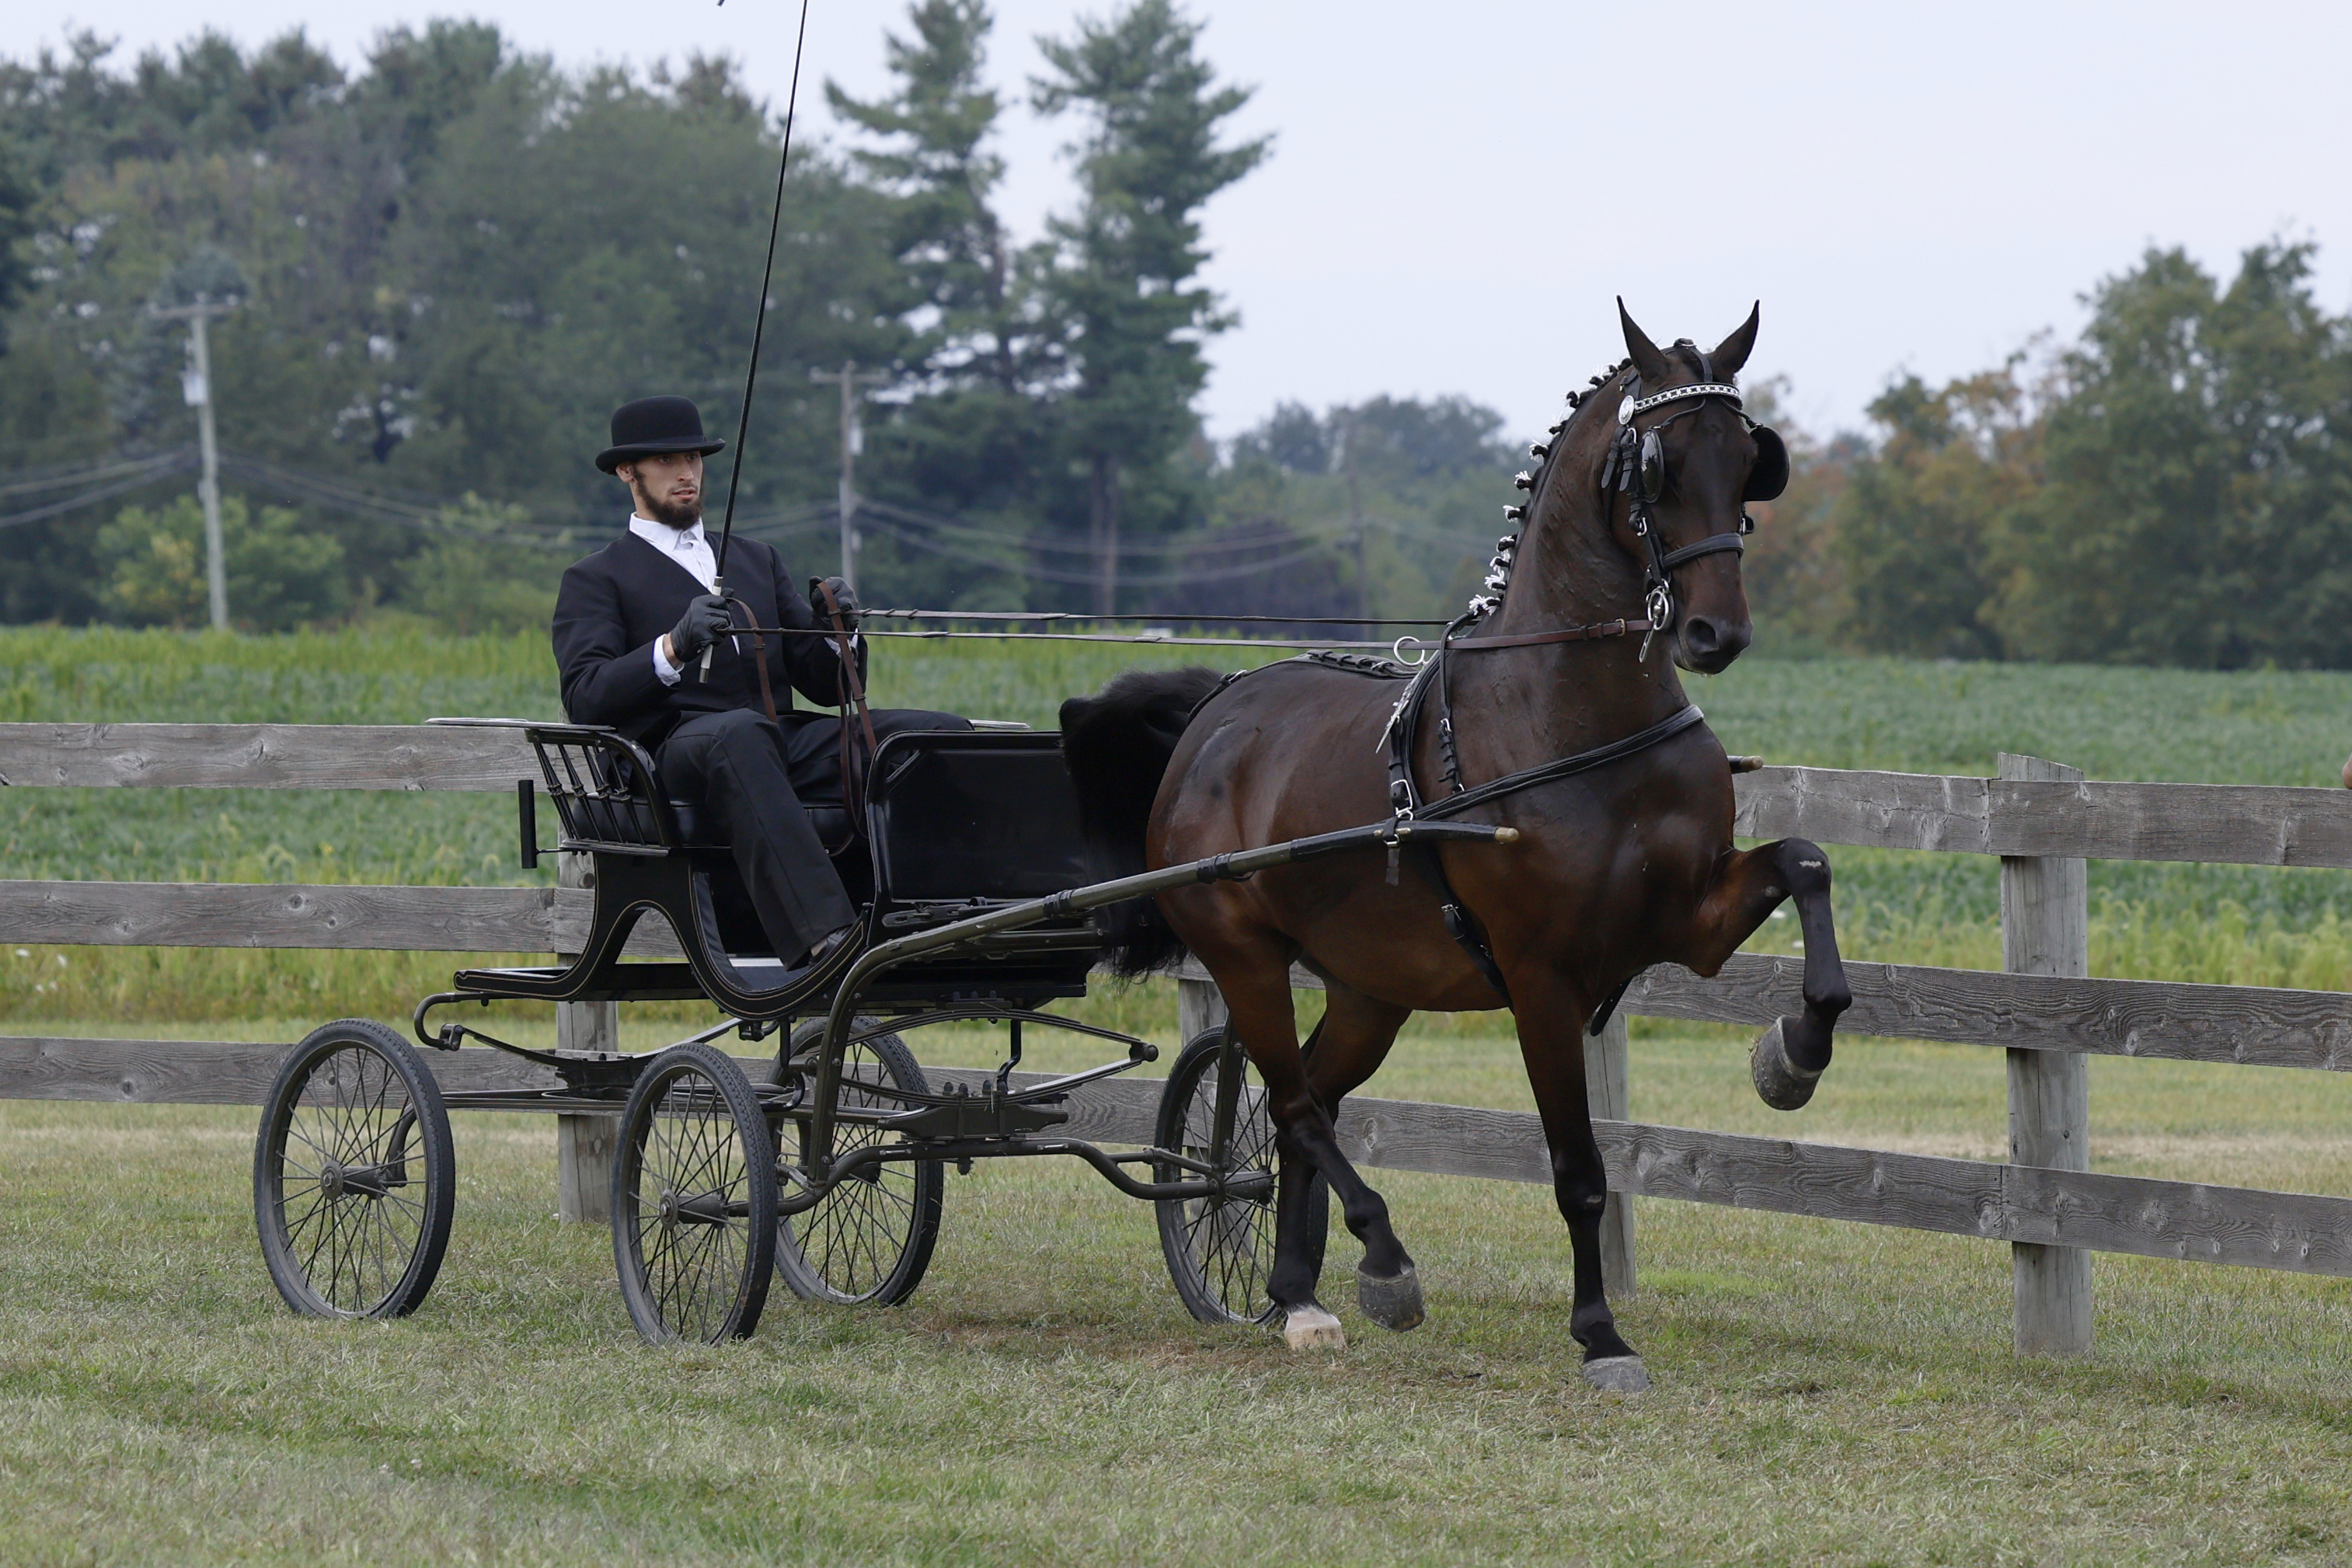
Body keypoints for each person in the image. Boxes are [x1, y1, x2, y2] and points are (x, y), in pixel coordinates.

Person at [552, 395, 969, 967]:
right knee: (739, 733)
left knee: (930, 737)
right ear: (628, 472)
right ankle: (825, 936)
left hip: (773, 742)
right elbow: (585, 695)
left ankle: (942, 917)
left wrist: (838, 633)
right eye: (668, 460)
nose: (687, 473)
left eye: (694, 459)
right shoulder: (596, 577)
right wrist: (673, 645)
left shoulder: (756, 560)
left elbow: (828, 686)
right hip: (670, 752)